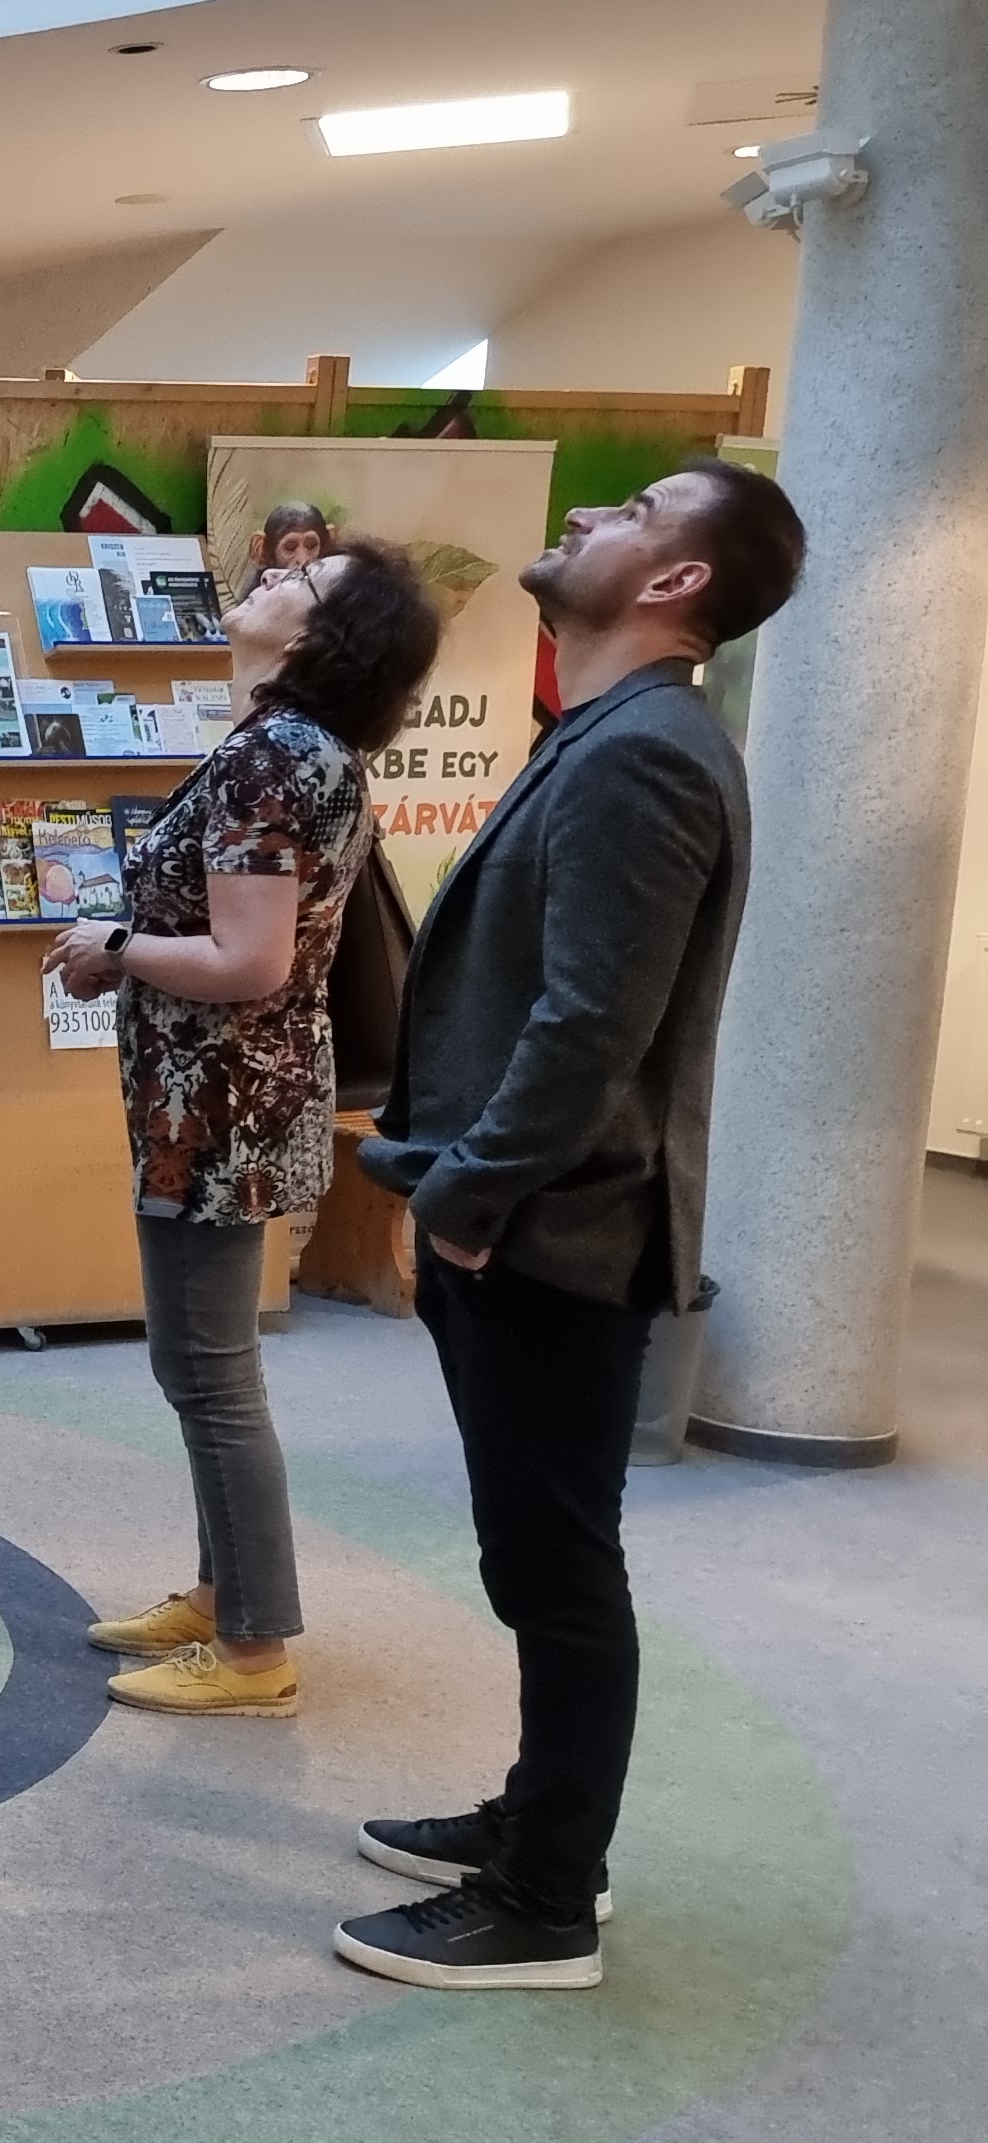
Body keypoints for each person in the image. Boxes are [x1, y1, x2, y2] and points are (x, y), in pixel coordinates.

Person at [332, 461, 802, 1990]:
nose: (592, 514)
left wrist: (470, 1197)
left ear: (677, 582)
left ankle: (546, 1900)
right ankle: (540, 1820)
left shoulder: (645, 753)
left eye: (635, 512)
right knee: (537, 1551)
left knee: (557, 1565)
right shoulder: (610, 732)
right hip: (527, 1214)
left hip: (554, 1227)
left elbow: (595, 1023)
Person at [43, 542, 446, 1719]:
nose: (269, 579)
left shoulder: (271, 757)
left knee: (210, 1372)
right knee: (198, 1362)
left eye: (297, 587)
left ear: (320, 638)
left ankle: (255, 1644)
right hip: (220, 1099)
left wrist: (114, 947)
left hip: (218, 1106)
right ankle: (222, 1594)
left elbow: (249, 959)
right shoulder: (295, 748)